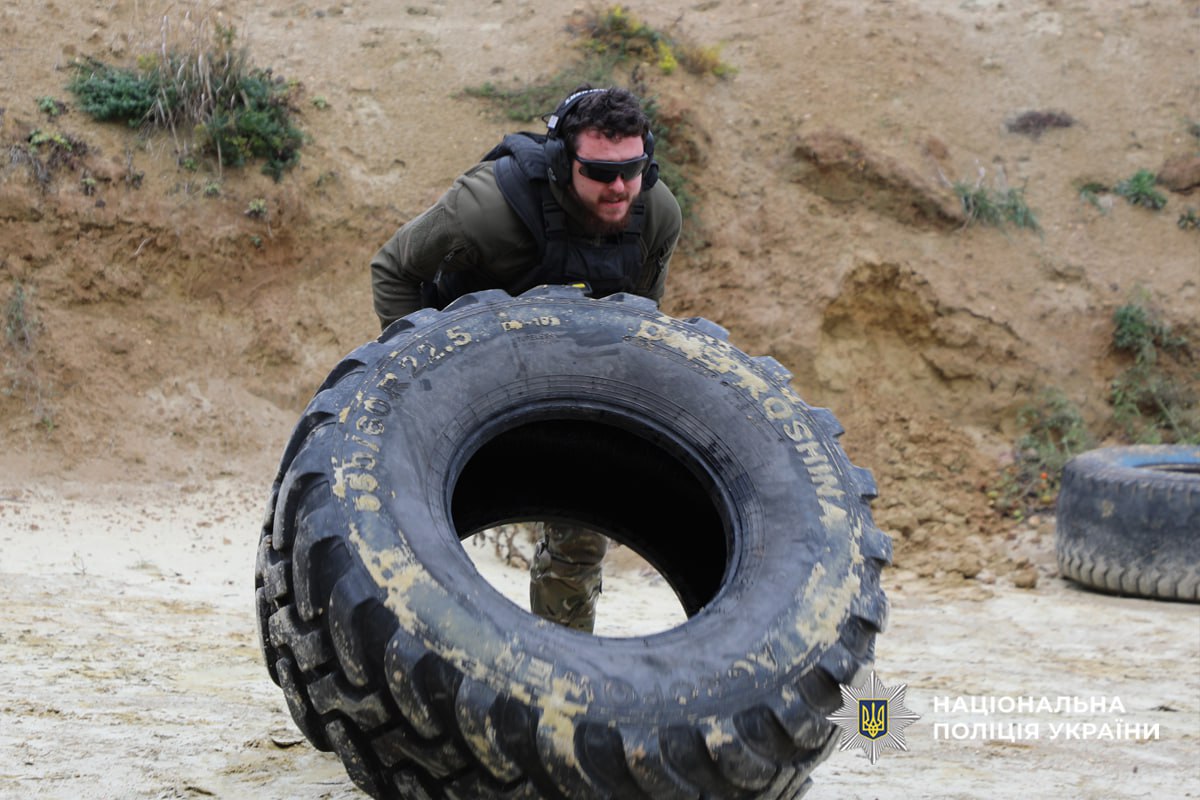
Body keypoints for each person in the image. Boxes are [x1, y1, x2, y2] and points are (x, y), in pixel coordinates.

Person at [370, 85, 683, 633]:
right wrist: (412, 378)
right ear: (564, 162)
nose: (619, 187)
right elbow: (396, 269)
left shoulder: (655, 214)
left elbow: (637, 319)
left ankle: (562, 666)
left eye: (633, 169)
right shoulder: (489, 207)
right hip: (463, 379)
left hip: (570, 377)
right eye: (601, 172)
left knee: (580, 543)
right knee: (412, 526)